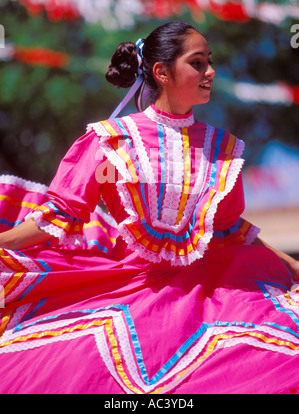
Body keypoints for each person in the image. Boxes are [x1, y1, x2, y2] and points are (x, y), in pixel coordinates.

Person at [0, 21, 299, 394]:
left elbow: (229, 229)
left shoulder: (222, 148)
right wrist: (5, 242)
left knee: (274, 360)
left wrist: (291, 264)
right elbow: (63, 215)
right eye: (197, 63)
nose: (210, 72)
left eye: (210, 61)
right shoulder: (111, 140)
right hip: (130, 286)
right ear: (162, 72)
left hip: (211, 291)